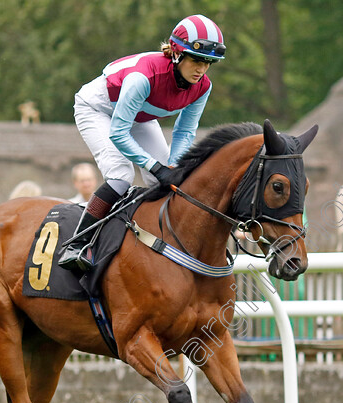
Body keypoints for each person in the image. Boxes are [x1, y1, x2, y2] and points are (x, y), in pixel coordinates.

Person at [59, 14, 226, 271]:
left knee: (165, 181)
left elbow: (184, 132)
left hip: (139, 116)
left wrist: (172, 166)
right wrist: (154, 166)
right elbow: (118, 133)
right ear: (176, 54)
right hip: (99, 109)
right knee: (120, 176)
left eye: (208, 63)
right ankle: (77, 244)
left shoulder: (203, 86)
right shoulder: (143, 77)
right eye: (196, 60)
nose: (201, 70)